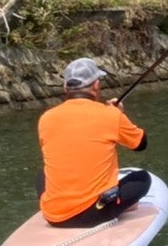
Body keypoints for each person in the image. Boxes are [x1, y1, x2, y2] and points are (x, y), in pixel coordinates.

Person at [37, 57, 150, 227]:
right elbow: (141, 144)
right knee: (143, 178)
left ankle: (58, 205)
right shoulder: (110, 115)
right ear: (96, 85)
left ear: (65, 88)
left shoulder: (45, 119)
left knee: (41, 175)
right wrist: (120, 115)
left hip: (53, 217)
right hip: (94, 213)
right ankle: (122, 205)